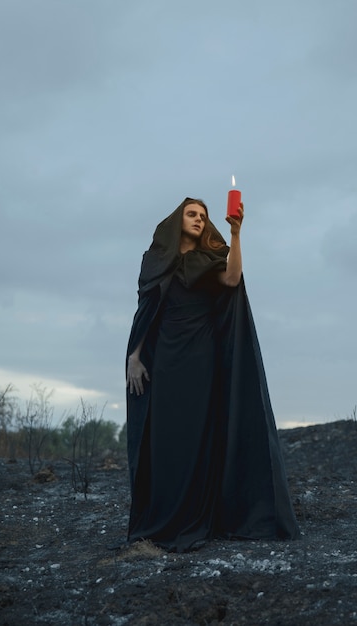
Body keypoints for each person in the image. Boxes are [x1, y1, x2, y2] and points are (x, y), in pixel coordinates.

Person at [125, 197, 300, 552]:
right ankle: (164, 516)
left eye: (203, 217)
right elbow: (146, 312)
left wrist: (236, 234)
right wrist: (134, 357)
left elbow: (233, 278)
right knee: (164, 441)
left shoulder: (208, 258)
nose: (199, 221)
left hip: (202, 358)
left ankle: (199, 517)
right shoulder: (156, 262)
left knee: (197, 438)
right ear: (178, 220)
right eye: (192, 214)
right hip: (166, 361)